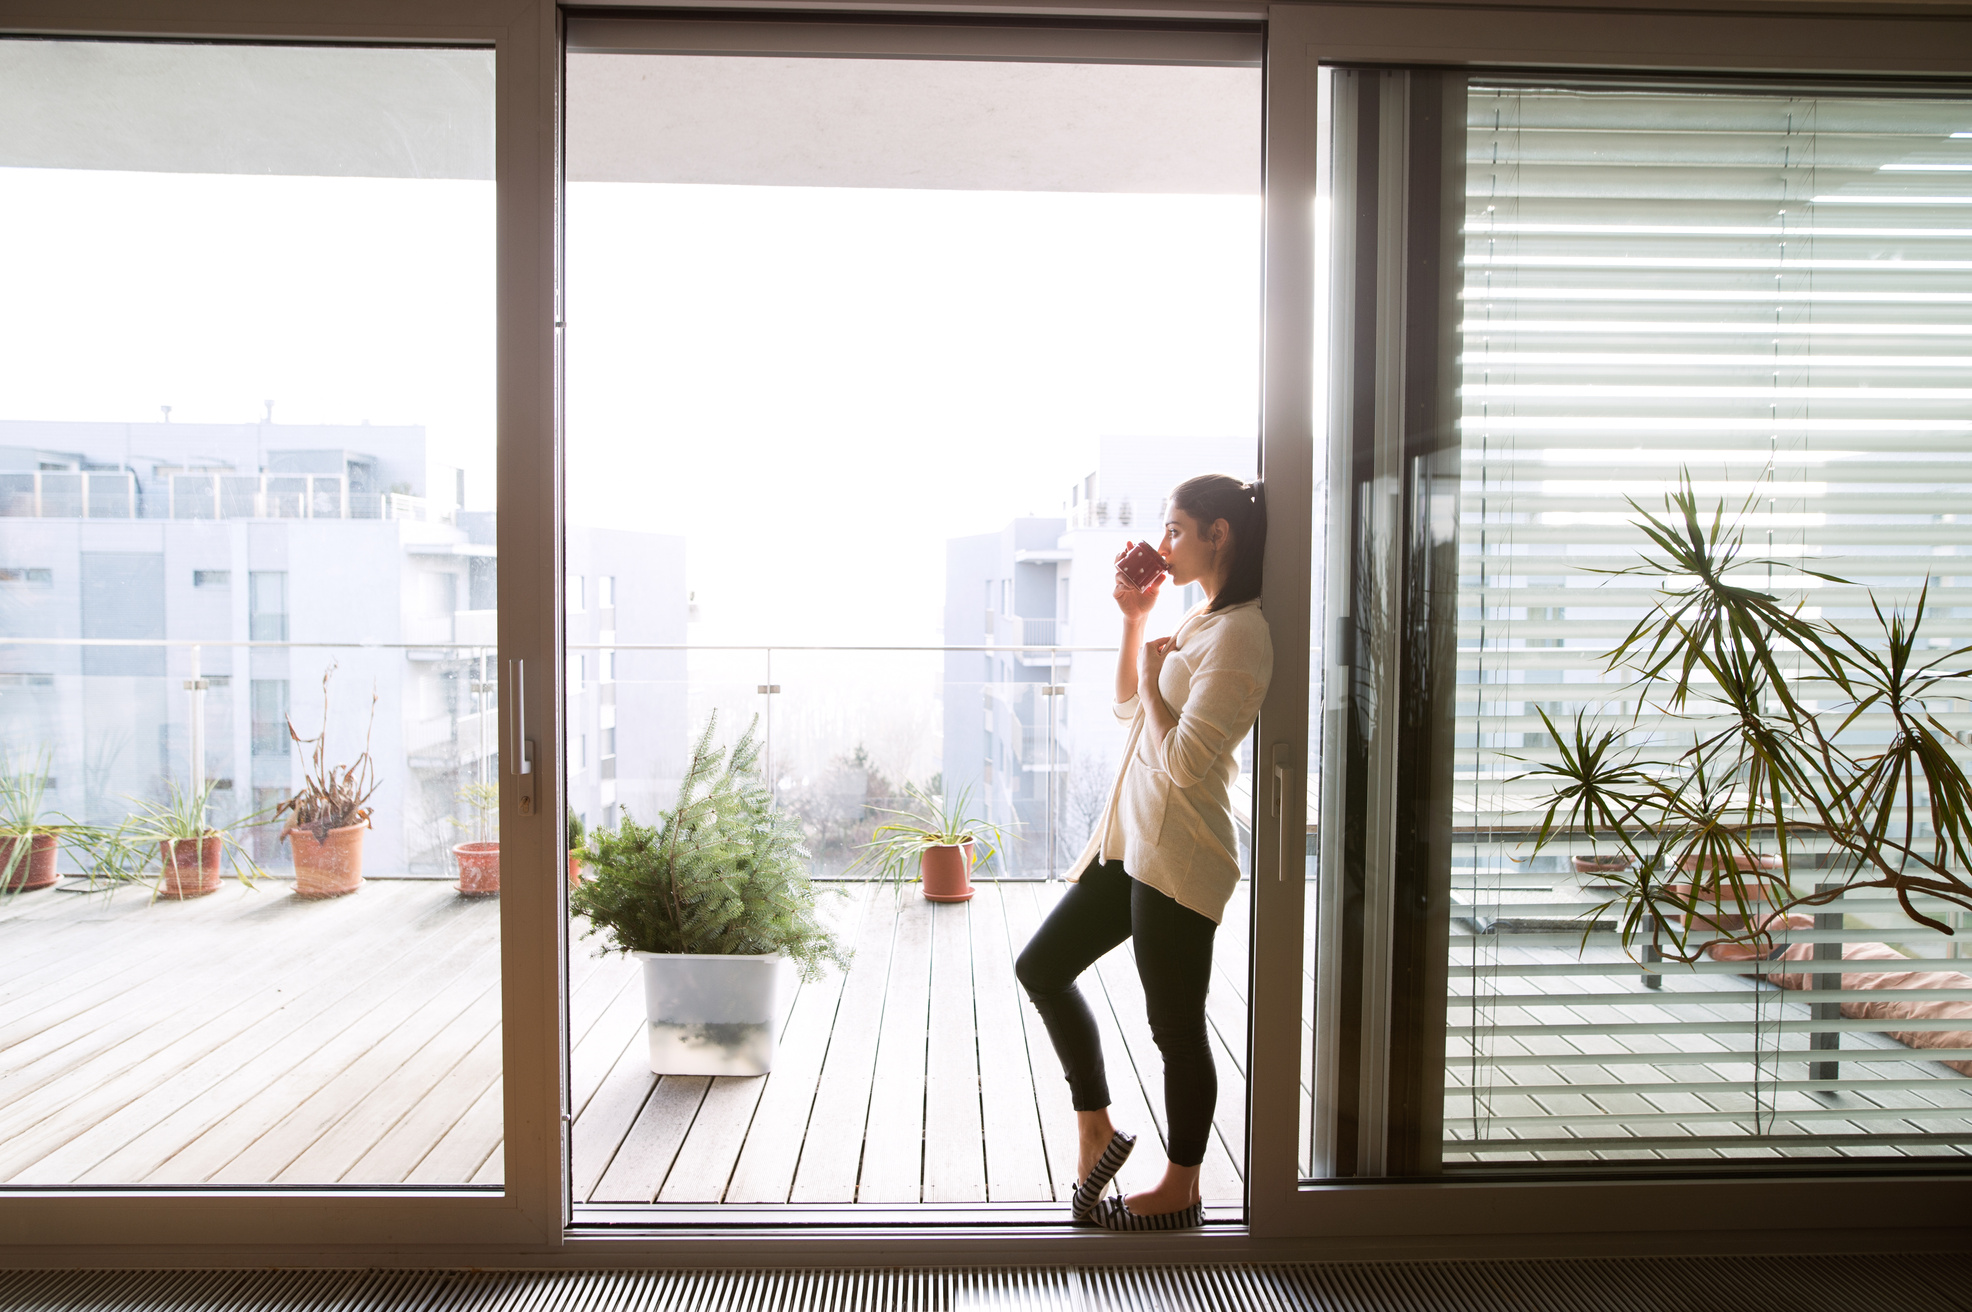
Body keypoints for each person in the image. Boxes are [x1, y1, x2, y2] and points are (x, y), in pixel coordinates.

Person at [1015, 473, 1273, 1231]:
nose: (1166, 545)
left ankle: (1183, 1184)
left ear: (1217, 534)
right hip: (1130, 844)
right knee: (1041, 965)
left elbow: (1187, 760)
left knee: (1175, 1026)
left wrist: (1160, 688)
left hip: (1182, 853)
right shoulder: (1200, 620)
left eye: (1175, 530)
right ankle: (1095, 1126)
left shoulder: (1242, 633)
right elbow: (1132, 707)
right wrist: (1136, 623)